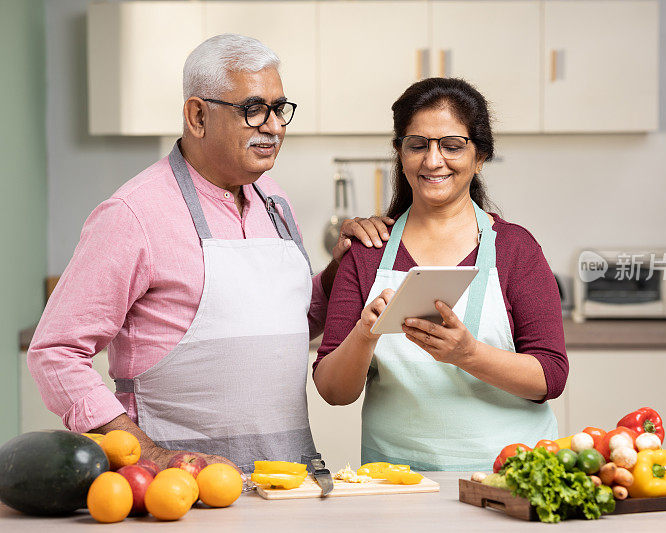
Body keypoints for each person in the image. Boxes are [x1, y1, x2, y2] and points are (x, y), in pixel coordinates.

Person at [27, 34, 392, 473]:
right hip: (179, 494)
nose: (274, 126)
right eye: (253, 110)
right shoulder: (132, 214)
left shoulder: (274, 201)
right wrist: (150, 455)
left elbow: (290, 318)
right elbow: (55, 352)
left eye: (280, 109)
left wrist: (340, 268)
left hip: (287, 479)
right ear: (197, 116)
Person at [313, 78, 568, 471]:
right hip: (397, 481)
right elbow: (333, 391)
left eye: (452, 146)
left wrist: (468, 355)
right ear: (400, 153)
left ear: (480, 157)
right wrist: (364, 335)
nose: (433, 160)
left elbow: (550, 375)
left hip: (512, 475)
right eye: (418, 144)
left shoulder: (517, 250)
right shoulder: (367, 253)